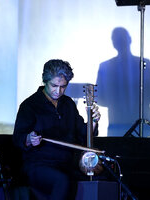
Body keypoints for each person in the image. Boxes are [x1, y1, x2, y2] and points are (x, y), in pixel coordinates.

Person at [13, 59, 101, 200]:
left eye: (63, 87)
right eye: (54, 85)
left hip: (66, 164)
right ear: (45, 81)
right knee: (62, 180)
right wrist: (29, 139)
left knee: (100, 177)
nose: (58, 91)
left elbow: (83, 134)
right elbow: (18, 138)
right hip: (38, 165)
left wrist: (94, 121)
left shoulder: (68, 104)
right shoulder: (30, 105)